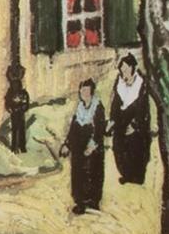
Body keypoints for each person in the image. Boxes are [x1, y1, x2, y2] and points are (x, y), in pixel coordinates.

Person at [60, 79, 107, 213]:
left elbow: (99, 129)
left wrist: (91, 146)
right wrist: (67, 145)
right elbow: (73, 130)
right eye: (82, 90)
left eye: (86, 90)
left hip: (92, 149)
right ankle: (80, 202)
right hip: (78, 148)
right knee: (78, 173)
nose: (83, 92)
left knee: (92, 173)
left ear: (91, 91)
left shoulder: (98, 107)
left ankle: (93, 202)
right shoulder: (79, 108)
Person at [111, 54, 151, 184]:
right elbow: (115, 103)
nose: (124, 73)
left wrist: (135, 125)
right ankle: (126, 173)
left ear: (133, 68)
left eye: (127, 69)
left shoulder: (141, 84)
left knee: (136, 147)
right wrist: (112, 120)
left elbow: (143, 107)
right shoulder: (119, 82)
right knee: (119, 147)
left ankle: (137, 176)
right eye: (122, 70)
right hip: (122, 120)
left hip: (137, 121)